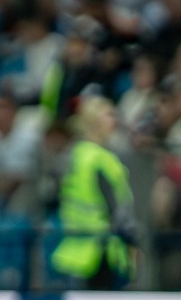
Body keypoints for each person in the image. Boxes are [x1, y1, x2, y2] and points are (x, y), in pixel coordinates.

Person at [51, 93, 136, 287]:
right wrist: (132, 245)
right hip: (101, 254)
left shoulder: (73, 155)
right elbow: (118, 213)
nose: (114, 120)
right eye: (109, 114)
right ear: (93, 121)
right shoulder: (102, 161)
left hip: (74, 249)